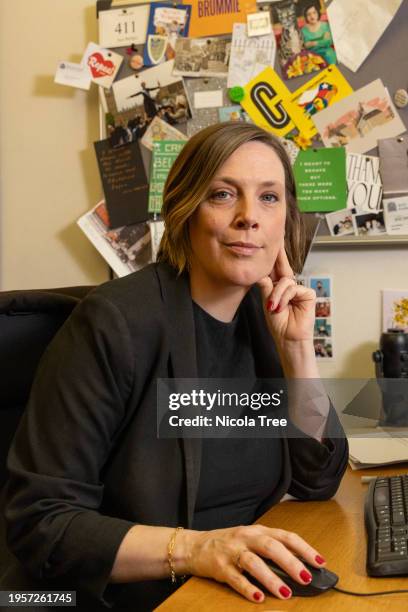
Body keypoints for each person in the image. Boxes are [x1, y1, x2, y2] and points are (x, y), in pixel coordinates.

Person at [2, 123, 348, 611]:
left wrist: (297, 353)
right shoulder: (115, 323)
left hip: (227, 593)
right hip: (123, 598)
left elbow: (319, 479)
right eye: (224, 194)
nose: (250, 217)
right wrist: (197, 549)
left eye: (269, 198)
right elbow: (41, 522)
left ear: (286, 219)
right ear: (185, 209)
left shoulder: (265, 317)